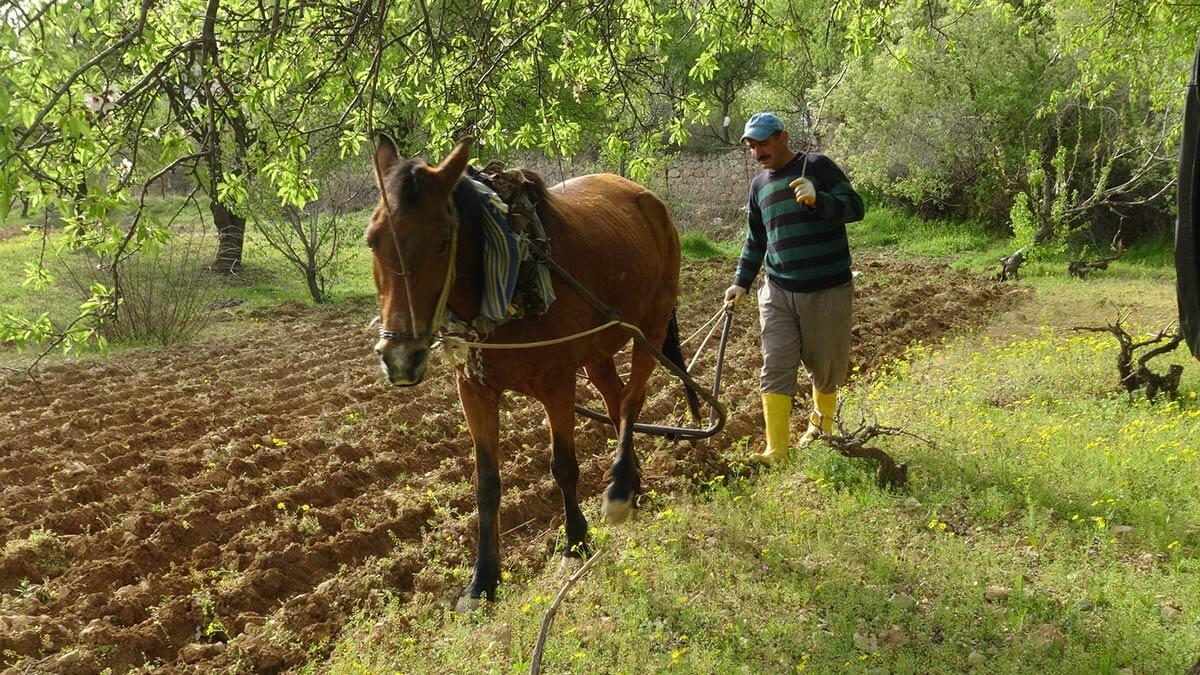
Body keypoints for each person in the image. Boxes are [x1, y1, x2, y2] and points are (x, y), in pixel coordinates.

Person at [724, 112, 864, 465]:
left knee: (825, 366)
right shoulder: (758, 187)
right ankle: (777, 450)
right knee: (775, 365)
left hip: (826, 288)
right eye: (752, 146)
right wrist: (741, 283)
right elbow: (755, 240)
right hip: (778, 290)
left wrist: (820, 200)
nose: (758, 152)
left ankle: (821, 430)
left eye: (764, 143)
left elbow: (856, 208)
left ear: (783, 137)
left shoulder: (818, 167)